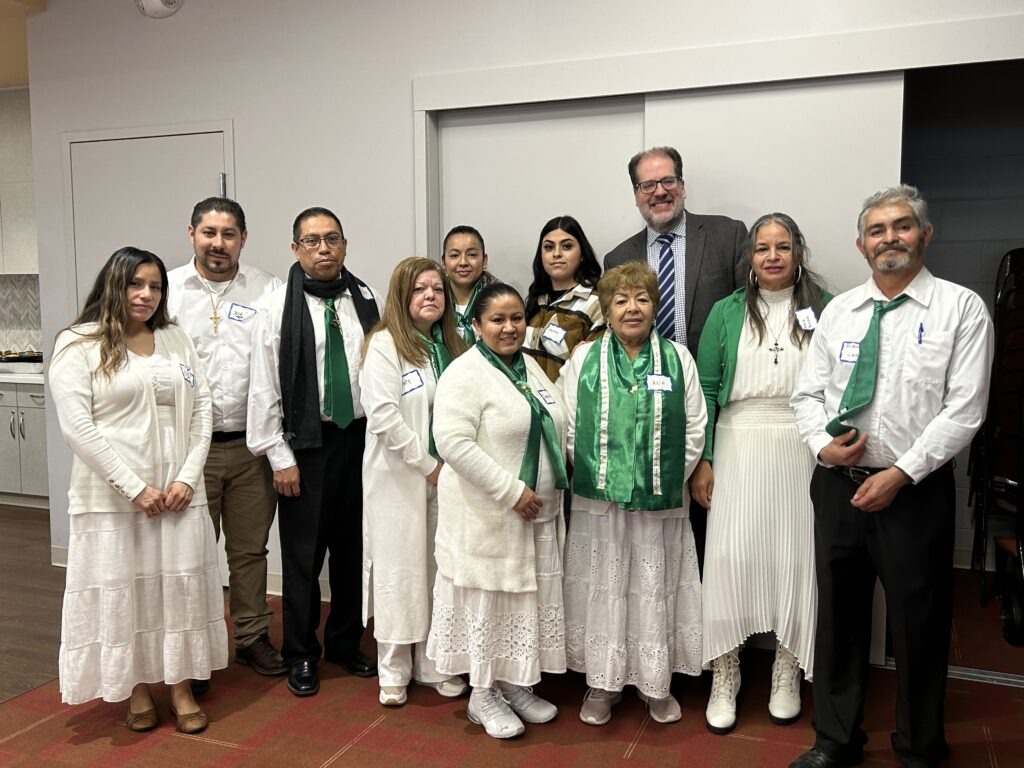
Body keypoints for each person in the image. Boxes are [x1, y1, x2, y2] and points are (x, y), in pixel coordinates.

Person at [790, 185, 993, 768]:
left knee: (919, 623)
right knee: (839, 618)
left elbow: (966, 409)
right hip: (838, 487)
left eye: (902, 227)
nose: (889, 239)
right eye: (877, 231)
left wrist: (901, 473)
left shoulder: (961, 308)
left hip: (914, 493)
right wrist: (823, 447)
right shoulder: (840, 311)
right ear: (861, 244)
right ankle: (834, 740)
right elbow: (806, 394)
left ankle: (921, 747)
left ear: (925, 235)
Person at [49, 247, 227, 734]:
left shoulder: (174, 338)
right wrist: (134, 488)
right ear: (114, 285)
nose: (147, 295)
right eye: (136, 285)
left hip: (178, 493)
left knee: (179, 590)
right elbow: (77, 427)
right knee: (126, 591)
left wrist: (189, 476)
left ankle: (182, 687)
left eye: (155, 286)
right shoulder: (79, 343)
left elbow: (202, 409)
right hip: (113, 497)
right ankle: (138, 689)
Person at [692, 213, 831, 735]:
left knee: (795, 554)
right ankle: (725, 671)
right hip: (738, 441)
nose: (772, 256)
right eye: (761, 248)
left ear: (799, 251)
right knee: (731, 555)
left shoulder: (828, 307)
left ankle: (787, 668)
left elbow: (840, 382)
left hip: (802, 444)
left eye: (783, 246)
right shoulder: (726, 312)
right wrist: (702, 460)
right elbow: (705, 390)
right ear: (749, 257)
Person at [561, 261, 707, 727]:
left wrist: (650, 478)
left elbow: (695, 427)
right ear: (606, 308)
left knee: (652, 586)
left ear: (654, 305)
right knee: (605, 586)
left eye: (641, 299)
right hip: (598, 502)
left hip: (659, 501)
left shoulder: (678, 358)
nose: (632, 308)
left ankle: (655, 683)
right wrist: (605, 475)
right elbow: (566, 424)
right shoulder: (583, 359)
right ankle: (602, 684)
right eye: (621, 300)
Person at [247, 207, 383, 697]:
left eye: (332, 239)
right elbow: (263, 387)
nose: (323, 249)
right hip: (307, 445)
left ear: (344, 244)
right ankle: (301, 653)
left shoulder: (365, 298)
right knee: (304, 558)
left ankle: (345, 642)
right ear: (295, 249)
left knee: (352, 551)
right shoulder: (275, 306)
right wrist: (278, 456)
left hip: (360, 440)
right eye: (312, 241)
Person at [426, 283, 568, 740]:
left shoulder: (529, 366)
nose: (509, 328)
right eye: (498, 320)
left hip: (535, 518)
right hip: (489, 515)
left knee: (522, 604)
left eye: (516, 319)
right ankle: (481, 694)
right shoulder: (464, 373)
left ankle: (514, 682)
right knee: (489, 605)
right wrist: (512, 491)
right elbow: (453, 443)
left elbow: (555, 422)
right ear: (476, 325)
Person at [604, 146, 747, 570]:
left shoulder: (727, 235)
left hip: (715, 399)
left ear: (682, 186)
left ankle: (709, 628)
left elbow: (746, 312)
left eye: (668, 181)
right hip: (646, 409)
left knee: (712, 525)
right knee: (652, 536)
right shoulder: (619, 257)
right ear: (636, 194)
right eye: (648, 184)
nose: (659, 191)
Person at [166, 197, 285, 679]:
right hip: (189, 453)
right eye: (209, 232)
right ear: (191, 232)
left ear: (244, 238)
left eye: (229, 234)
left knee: (250, 551)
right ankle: (193, 650)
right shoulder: (167, 290)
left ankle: (251, 637)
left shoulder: (267, 290)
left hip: (252, 448)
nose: (218, 243)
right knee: (191, 555)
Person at [358, 257, 469, 707]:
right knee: (399, 572)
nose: (430, 296)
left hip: (449, 481)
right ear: (402, 297)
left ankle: (432, 661)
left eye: (438, 290)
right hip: (399, 479)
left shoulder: (453, 348)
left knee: (438, 571)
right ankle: (393, 669)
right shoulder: (385, 344)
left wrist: (448, 470)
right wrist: (428, 466)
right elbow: (383, 415)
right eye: (420, 289)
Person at [523, 215, 605, 381]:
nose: (557, 254)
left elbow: (594, 370)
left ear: (582, 254)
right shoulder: (536, 299)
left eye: (566, 246)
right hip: (525, 400)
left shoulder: (595, 303)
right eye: (548, 247)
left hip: (566, 403)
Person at [441, 225, 498, 343]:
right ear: (444, 262)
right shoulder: (433, 302)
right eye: (454, 255)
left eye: (472, 254)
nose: (463, 262)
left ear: (485, 260)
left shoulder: (500, 300)